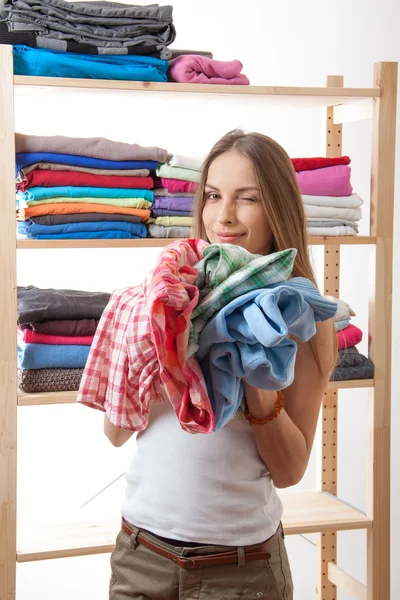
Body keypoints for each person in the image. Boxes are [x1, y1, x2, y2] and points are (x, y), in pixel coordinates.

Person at [106, 129, 336, 600]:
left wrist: (258, 376)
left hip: (240, 573)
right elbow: (115, 434)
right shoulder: (167, 298)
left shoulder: (299, 316)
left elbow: (291, 471)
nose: (224, 216)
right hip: (140, 557)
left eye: (246, 198)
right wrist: (148, 352)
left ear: (278, 208)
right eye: (213, 196)